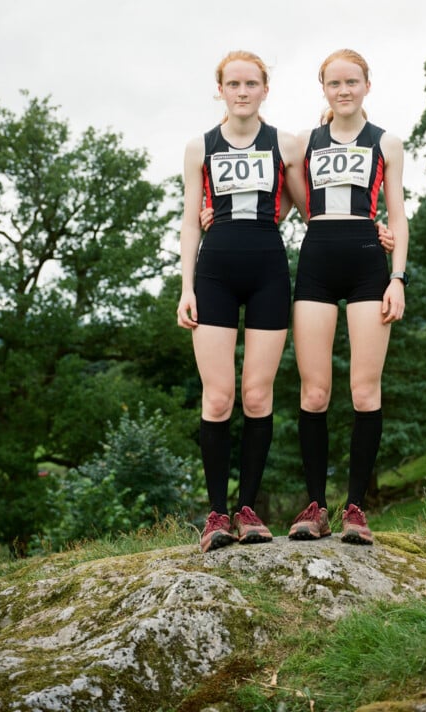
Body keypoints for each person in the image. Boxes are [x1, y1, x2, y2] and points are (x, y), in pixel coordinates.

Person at [177, 50, 307, 553]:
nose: (243, 91)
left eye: (252, 83)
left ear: (264, 89)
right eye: (233, 84)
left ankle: (248, 509)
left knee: (257, 395)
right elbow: (191, 220)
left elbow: (303, 201)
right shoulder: (199, 147)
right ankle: (215, 516)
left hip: (269, 270)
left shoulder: (285, 143)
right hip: (214, 274)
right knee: (218, 398)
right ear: (221, 90)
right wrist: (186, 287)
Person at [287, 48, 409, 546]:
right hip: (316, 258)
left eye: (352, 81)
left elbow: (397, 213)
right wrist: (213, 215)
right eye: (334, 82)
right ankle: (314, 506)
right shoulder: (302, 144)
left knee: (364, 389)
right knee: (314, 392)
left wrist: (398, 276)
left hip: (367, 262)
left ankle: (355, 508)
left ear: (366, 85)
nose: (343, 90)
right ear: (324, 88)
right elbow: (284, 198)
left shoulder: (387, 142)